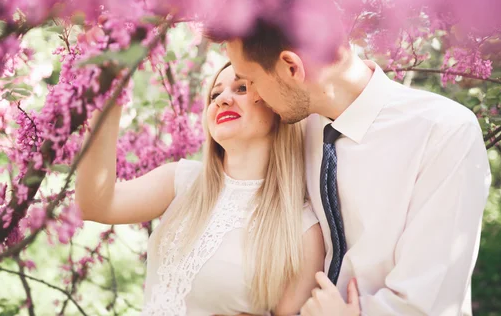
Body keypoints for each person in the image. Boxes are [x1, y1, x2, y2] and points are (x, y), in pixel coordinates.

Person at [216, 19, 491, 316]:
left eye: (250, 81)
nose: (254, 95)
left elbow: (428, 301)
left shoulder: (443, 133)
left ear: (291, 68)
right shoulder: (295, 130)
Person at [75, 62, 325, 315]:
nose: (222, 100)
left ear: (280, 105)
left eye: (241, 88)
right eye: (215, 95)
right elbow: (93, 205)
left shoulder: (302, 231)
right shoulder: (182, 180)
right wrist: (110, 96)